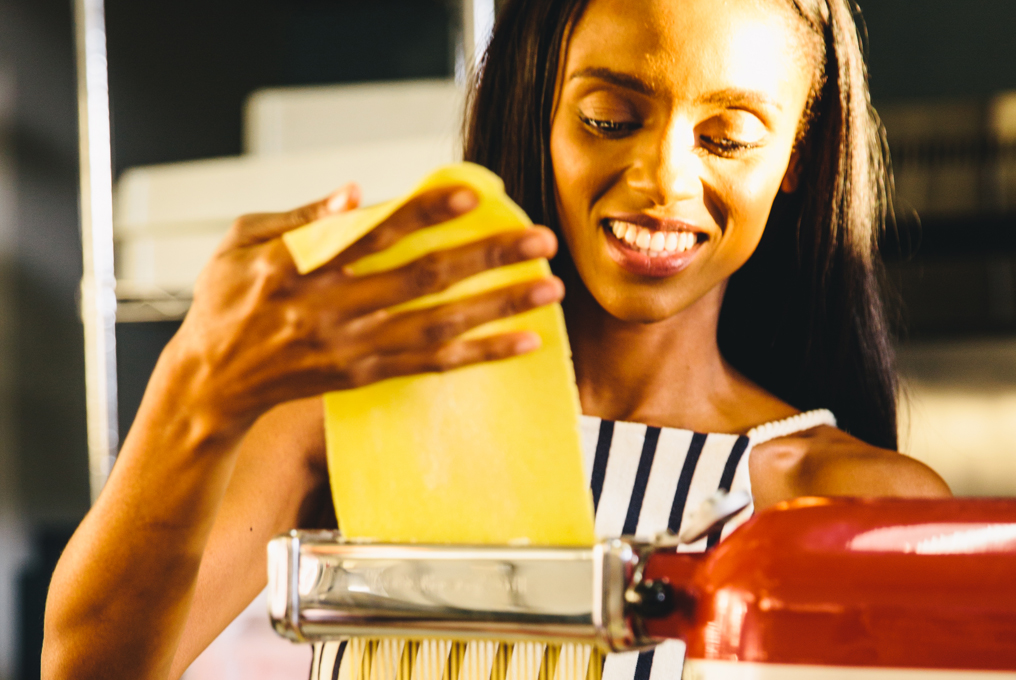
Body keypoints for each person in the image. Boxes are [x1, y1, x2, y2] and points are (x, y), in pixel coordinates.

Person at [41, 0, 951, 678]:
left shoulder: (853, 505)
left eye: (728, 139)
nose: (664, 178)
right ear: (538, 105)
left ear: (795, 157)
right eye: (610, 118)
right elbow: (88, 666)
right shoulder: (354, 410)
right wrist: (198, 382)